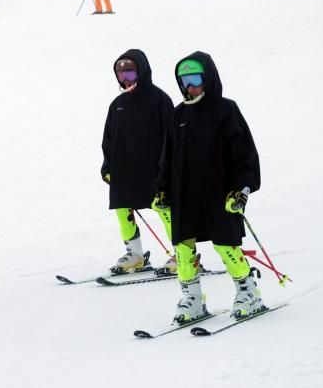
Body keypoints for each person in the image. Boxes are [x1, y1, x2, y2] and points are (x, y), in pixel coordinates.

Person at [155, 52, 262, 326]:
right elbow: (166, 158)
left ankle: (248, 291)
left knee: (225, 243)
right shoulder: (178, 114)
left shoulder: (226, 110)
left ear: (209, 79)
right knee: (183, 246)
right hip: (184, 194)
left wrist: (242, 190)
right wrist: (162, 188)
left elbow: (245, 155)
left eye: (195, 80)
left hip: (219, 192)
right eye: (184, 81)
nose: (189, 87)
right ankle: (192, 297)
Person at [100, 51, 176, 274]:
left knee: (163, 208)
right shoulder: (117, 105)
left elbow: (172, 138)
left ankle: (181, 252)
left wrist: (170, 168)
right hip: (125, 172)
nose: (126, 79)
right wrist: (107, 167)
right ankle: (134, 254)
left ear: (141, 71)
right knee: (123, 208)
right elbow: (109, 140)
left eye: (130, 73)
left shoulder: (159, 100)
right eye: (121, 74)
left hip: (155, 170)